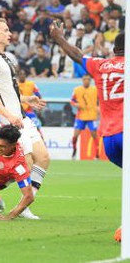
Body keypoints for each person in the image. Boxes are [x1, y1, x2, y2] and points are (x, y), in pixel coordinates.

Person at [50, 22, 124, 242]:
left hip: (109, 139)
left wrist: (59, 38)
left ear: (114, 50)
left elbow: (77, 55)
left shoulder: (101, 65)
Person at [0, 18, 49, 220]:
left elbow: (8, 91)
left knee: (43, 158)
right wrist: (8, 115)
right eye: (5, 30)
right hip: (9, 120)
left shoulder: (5, 57)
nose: (10, 33)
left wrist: (27, 99)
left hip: (21, 116)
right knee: (23, 162)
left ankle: (23, 203)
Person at [70, 75, 99, 160]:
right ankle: (74, 150)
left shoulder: (95, 90)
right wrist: (76, 104)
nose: (86, 81)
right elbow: (72, 100)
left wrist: (98, 108)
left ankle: (97, 154)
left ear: (90, 81)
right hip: (80, 116)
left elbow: (100, 100)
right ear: (82, 80)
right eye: (85, 79)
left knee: (94, 135)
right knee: (75, 135)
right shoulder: (77, 90)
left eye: (88, 80)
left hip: (91, 116)